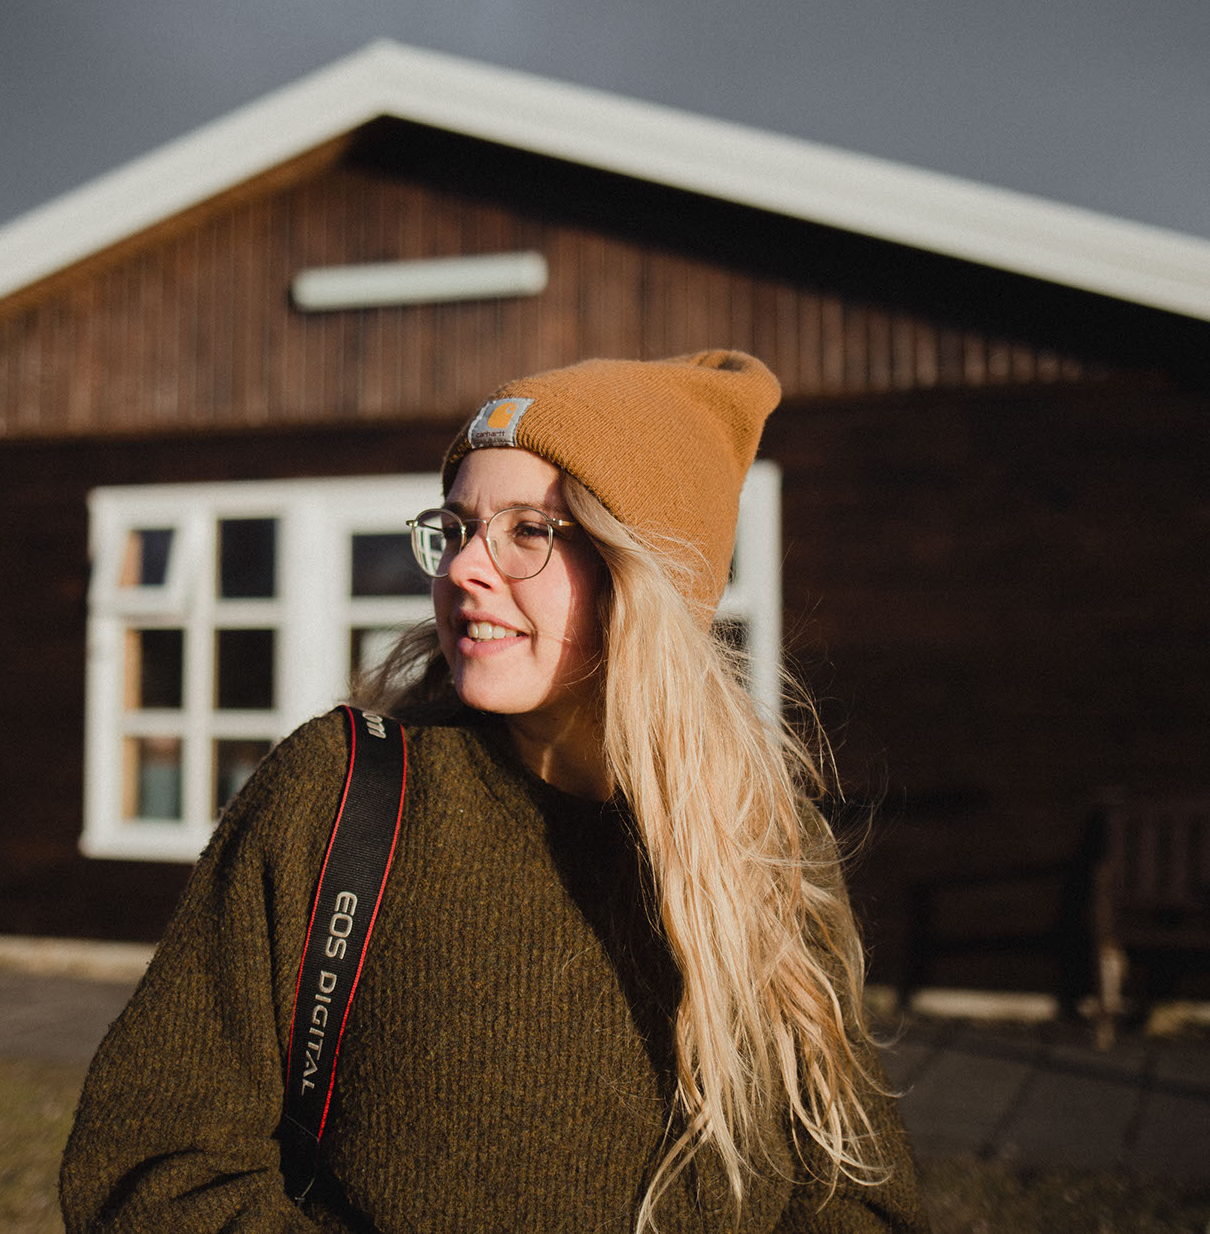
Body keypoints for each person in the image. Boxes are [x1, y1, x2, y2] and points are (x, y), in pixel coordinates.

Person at [61, 350, 929, 1232]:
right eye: (459, 527)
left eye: (528, 530)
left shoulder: (765, 848)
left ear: (645, 576)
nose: (464, 567)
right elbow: (153, 1163)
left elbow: (858, 1198)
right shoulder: (338, 799)